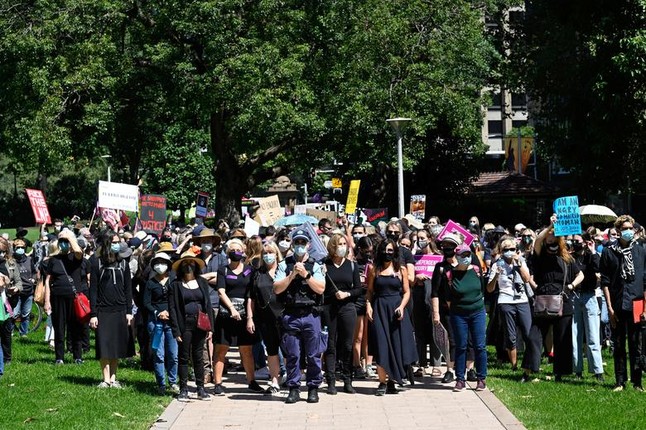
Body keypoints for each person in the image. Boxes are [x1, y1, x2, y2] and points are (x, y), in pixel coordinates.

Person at [525, 218, 583, 382]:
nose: (550, 239)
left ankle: (561, 372)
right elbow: (537, 241)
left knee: (562, 337)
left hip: (563, 300)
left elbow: (580, 275)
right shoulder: (540, 255)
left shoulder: (567, 258)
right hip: (543, 299)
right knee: (534, 336)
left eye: (554, 237)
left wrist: (571, 286)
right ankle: (529, 369)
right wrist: (551, 225)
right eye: (548, 237)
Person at [274, 229, 326, 404]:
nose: (300, 246)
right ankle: (294, 388)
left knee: (313, 354)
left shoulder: (315, 265)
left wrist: (305, 275)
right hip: (291, 315)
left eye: (303, 243)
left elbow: (320, 288)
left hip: (311, 315)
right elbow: (277, 288)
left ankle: (313, 388)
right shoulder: (284, 265)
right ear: (292, 245)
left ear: (308, 245)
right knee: (293, 354)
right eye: (297, 243)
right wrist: (292, 275)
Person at [433, 243, 487, 391]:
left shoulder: (476, 270)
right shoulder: (450, 274)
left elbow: (482, 290)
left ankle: (481, 378)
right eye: (463, 255)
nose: (466, 258)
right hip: (459, 314)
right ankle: (460, 379)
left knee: (479, 346)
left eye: (468, 255)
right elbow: (448, 298)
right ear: (457, 257)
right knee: (460, 346)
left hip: (477, 312)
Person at [600, 214, 646, 391]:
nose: (628, 231)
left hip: (636, 302)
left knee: (636, 344)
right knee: (619, 344)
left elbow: (644, 280)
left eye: (630, 228)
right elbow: (605, 282)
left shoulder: (641, 250)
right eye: (624, 228)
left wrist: (645, 308)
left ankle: (637, 382)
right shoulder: (609, 251)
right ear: (618, 231)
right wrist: (610, 309)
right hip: (617, 302)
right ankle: (620, 381)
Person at [366, 239, 417, 395]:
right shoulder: (375, 270)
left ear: (395, 252)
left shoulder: (401, 270)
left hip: (396, 311)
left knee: (396, 345)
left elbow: (407, 291)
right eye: (384, 250)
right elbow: (369, 291)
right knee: (381, 345)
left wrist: (402, 307)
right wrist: (368, 305)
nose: (387, 253)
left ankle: (392, 381)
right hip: (379, 309)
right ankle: (382, 382)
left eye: (390, 250)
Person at [213, 238, 263, 395]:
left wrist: (249, 317)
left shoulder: (249, 270)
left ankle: (251, 381)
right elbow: (221, 291)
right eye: (233, 250)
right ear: (228, 252)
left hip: (244, 316)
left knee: (246, 350)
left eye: (239, 250)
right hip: (226, 315)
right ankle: (218, 383)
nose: (236, 253)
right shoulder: (223, 270)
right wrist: (231, 309)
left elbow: (251, 295)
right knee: (221, 349)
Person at [89, 231, 135, 388]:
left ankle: (114, 378)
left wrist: (129, 311)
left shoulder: (124, 263)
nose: (118, 244)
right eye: (114, 242)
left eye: (119, 242)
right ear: (107, 244)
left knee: (116, 345)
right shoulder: (97, 263)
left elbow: (128, 290)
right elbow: (93, 290)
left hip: (120, 309)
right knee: (104, 345)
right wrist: (93, 314)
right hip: (103, 310)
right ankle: (105, 379)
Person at [169, 250, 214, 401]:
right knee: (183, 356)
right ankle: (183, 389)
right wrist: (176, 330)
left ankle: (201, 388)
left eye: (191, 263)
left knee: (198, 356)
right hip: (184, 324)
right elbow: (173, 308)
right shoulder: (175, 285)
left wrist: (210, 328)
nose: (189, 266)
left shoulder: (201, 282)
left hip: (200, 323)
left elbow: (207, 305)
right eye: (186, 263)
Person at [486, 237, 533, 374]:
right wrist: (496, 276)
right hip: (505, 301)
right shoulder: (496, 265)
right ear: (501, 251)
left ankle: (528, 363)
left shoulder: (521, 262)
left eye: (512, 249)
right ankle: (514, 365)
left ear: (516, 250)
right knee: (510, 335)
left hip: (522, 300)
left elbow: (527, 279)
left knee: (528, 333)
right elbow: (489, 289)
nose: (509, 252)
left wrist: (518, 264)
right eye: (506, 250)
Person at [322, 233, 362, 394]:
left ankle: (347, 378)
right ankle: (331, 380)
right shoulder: (324, 265)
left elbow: (359, 289)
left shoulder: (351, 265)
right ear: (332, 246)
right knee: (330, 345)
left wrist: (348, 294)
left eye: (344, 243)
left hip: (347, 308)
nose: (342, 247)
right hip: (329, 308)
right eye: (339, 243)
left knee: (347, 344)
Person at [247, 241, 284, 395]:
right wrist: (250, 317)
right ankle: (274, 381)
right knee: (271, 350)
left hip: (283, 315)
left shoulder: (283, 270)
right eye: (265, 253)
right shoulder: (257, 273)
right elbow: (251, 298)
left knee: (289, 349)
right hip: (264, 318)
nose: (268, 256)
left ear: (277, 254)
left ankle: (290, 378)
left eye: (271, 252)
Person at [44, 230, 85, 365]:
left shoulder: (76, 257)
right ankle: (59, 357)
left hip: (74, 297)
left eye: (65, 241)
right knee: (59, 327)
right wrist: (47, 301)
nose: (63, 243)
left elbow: (79, 252)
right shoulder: (54, 260)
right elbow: (48, 281)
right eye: (61, 241)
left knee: (76, 328)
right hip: (58, 297)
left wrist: (69, 238)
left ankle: (77, 356)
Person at [143, 252, 179, 395]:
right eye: (157, 263)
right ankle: (161, 383)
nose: (160, 265)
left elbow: (176, 300)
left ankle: (173, 381)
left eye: (163, 262)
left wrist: (170, 312)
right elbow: (146, 302)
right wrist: (158, 313)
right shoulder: (150, 283)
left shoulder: (173, 281)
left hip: (171, 322)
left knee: (173, 353)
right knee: (159, 354)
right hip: (155, 322)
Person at [570, 233, 604, 381]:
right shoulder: (570, 257)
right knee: (575, 334)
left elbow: (598, 268)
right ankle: (577, 369)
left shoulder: (591, 256)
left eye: (577, 240)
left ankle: (597, 371)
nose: (575, 243)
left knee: (593, 334)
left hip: (589, 296)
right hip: (574, 296)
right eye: (573, 241)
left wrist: (593, 250)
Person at [412, 229, 443, 377]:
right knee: (420, 331)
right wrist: (417, 277)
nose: (420, 240)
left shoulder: (439, 258)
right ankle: (421, 364)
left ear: (430, 238)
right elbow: (409, 278)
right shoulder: (415, 257)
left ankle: (436, 364)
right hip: (418, 296)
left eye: (423, 238)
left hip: (434, 297)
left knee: (435, 330)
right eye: (418, 238)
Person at [353, 236, 377, 379]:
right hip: (357, 301)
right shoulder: (353, 264)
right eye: (366, 251)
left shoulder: (373, 264)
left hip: (370, 300)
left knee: (369, 335)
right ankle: (356, 364)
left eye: (370, 251)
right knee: (358, 336)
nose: (368, 254)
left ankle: (368, 364)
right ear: (360, 249)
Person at [0, 237, 23, 368]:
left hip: (6, 299)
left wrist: (16, 288)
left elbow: (18, 281)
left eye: (3, 251)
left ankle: (7, 357)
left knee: (6, 331)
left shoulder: (11, 263)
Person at [12, 238, 37, 337]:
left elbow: (35, 272)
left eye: (22, 247)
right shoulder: (11, 261)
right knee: (14, 314)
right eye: (18, 247)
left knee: (26, 314)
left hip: (28, 291)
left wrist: (34, 279)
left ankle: (23, 333)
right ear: (14, 248)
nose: (20, 249)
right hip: (16, 292)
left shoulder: (29, 260)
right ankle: (10, 331)